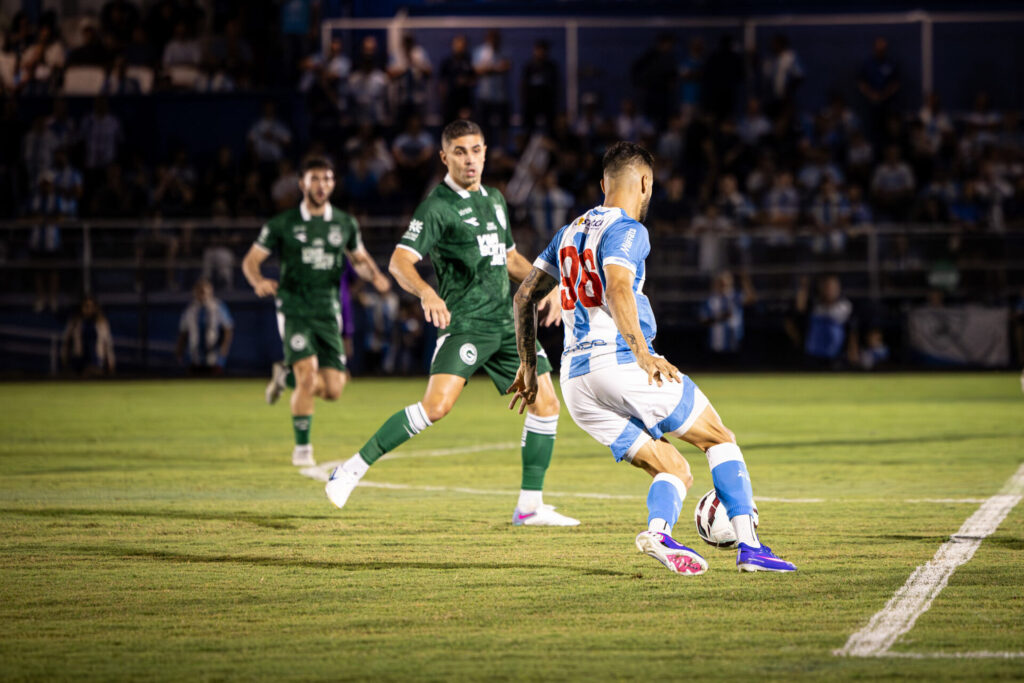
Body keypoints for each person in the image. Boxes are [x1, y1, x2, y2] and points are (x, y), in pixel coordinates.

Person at [508, 141, 796, 574]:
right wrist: (643, 354)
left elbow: (526, 295)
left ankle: (659, 533)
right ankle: (750, 547)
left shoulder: (567, 231)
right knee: (719, 438)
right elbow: (618, 287)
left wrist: (529, 366)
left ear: (603, 183)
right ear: (645, 182)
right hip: (621, 362)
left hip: (576, 382)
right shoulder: (628, 230)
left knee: (675, 468)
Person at [324, 119, 578, 527]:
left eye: (476, 150)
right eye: (460, 151)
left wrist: (546, 287)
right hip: (466, 324)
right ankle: (350, 469)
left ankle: (530, 507)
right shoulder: (436, 207)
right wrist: (427, 292)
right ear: (444, 157)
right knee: (436, 407)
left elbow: (509, 258)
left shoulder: (495, 198)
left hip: (508, 325)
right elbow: (399, 260)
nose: (470, 159)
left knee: (547, 405)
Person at [242, 156, 391, 467]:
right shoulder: (282, 224)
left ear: (333, 184)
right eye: (315, 178)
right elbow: (250, 261)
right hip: (294, 309)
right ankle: (302, 451)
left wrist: (375, 275)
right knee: (308, 377)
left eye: (327, 178)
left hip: (328, 311)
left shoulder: (344, 223)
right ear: (302, 184)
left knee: (334, 389)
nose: (321, 185)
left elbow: (360, 258)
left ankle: (285, 377)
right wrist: (257, 281)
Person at [176, 278, 234, 375]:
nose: (203, 295)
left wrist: (224, 349)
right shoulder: (190, 309)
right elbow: (183, 332)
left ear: (210, 291)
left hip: (213, 355)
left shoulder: (218, 307)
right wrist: (179, 351)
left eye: (205, 292)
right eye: (200, 292)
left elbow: (228, 329)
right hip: (194, 356)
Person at [61, 295, 115, 376]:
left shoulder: (101, 323)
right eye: (86, 306)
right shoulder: (75, 322)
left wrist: (111, 361)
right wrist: (64, 357)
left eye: (91, 306)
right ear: (81, 307)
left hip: (96, 360)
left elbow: (107, 343)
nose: (88, 309)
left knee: (92, 373)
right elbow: (66, 341)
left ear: (95, 307)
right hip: (78, 360)